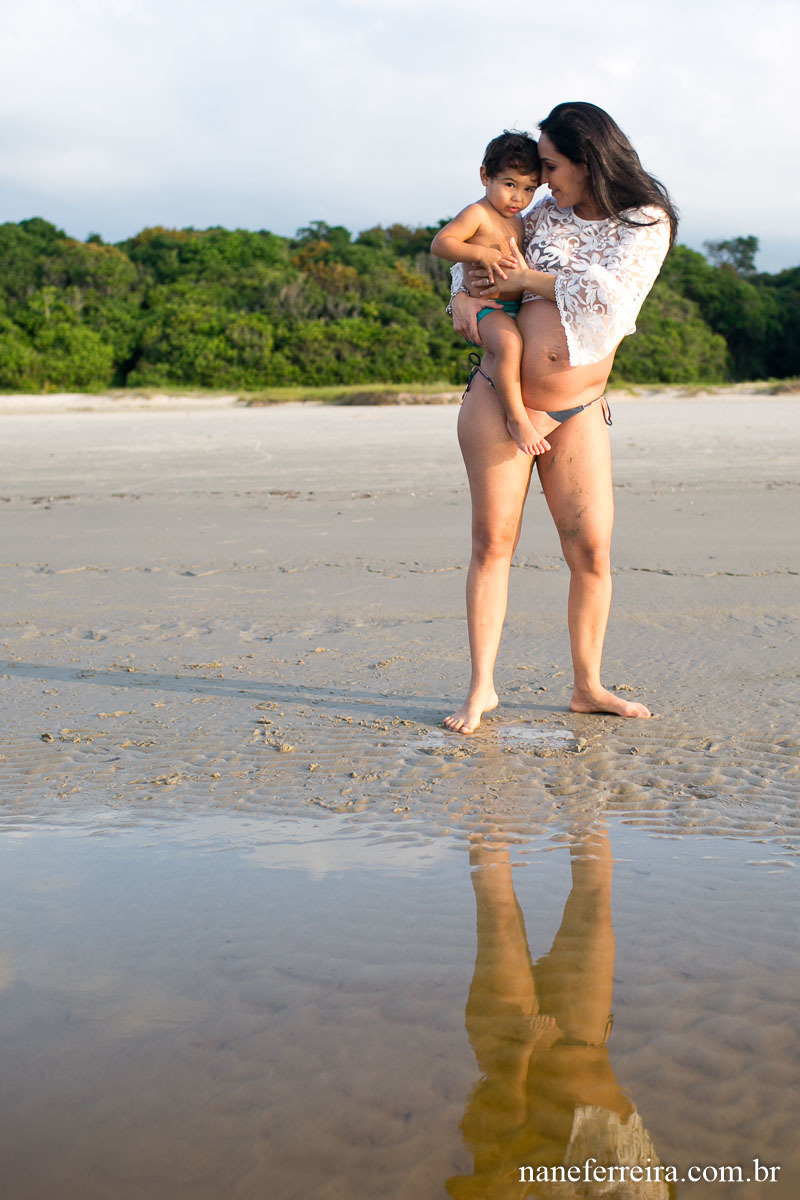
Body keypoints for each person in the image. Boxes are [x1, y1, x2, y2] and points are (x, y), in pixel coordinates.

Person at [444, 101, 678, 734]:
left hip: (577, 405)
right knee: (493, 543)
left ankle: (587, 685)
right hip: (502, 393)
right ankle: (482, 689)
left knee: (592, 551)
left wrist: (531, 280)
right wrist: (462, 297)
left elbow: (613, 295)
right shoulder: (541, 211)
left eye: (550, 165)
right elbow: (480, 259)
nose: (541, 180)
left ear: (587, 160)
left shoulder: (645, 221)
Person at [431, 131, 549, 456]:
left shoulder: (520, 220)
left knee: (521, 349)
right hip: (486, 308)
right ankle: (516, 418)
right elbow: (441, 243)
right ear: (486, 175)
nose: (518, 198)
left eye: (528, 189)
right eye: (509, 184)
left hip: (513, 309)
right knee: (509, 346)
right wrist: (481, 255)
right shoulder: (478, 213)